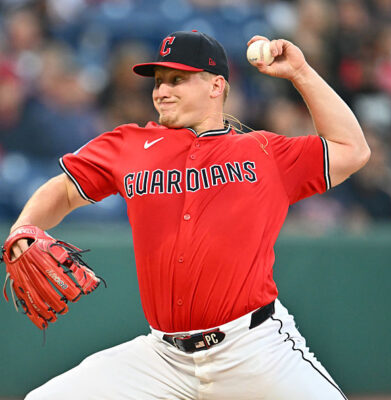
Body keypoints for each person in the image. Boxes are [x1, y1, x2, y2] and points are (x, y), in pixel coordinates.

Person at [10, 30, 370, 399]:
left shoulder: (264, 151)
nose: (161, 91)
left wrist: (301, 73)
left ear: (216, 86)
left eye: (177, 79)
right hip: (163, 359)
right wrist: (23, 228)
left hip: (254, 350)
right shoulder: (129, 144)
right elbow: (65, 189)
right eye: (159, 81)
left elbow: (351, 149)